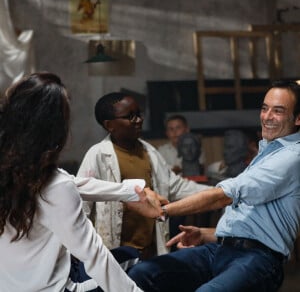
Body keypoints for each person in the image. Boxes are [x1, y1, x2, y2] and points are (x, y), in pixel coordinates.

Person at [128, 80, 300, 292]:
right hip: (221, 248)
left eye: (278, 111)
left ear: (298, 118)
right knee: (143, 273)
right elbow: (252, 220)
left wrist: (162, 210)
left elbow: (224, 196)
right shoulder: (266, 152)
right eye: (265, 109)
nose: (267, 117)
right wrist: (205, 233)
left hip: (259, 260)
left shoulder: (293, 156)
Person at [0, 72, 164, 292]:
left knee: (126, 257)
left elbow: (73, 182)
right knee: (136, 263)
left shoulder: (16, 170)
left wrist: (133, 192)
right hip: (56, 288)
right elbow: (95, 256)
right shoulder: (55, 185)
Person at [77, 92, 210, 258]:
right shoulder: (97, 155)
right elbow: (82, 207)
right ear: (110, 125)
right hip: (114, 252)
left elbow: (175, 186)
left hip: (151, 250)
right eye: (130, 117)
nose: (138, 120)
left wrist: (220, 191)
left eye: (139, 114)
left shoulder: (150, 152)